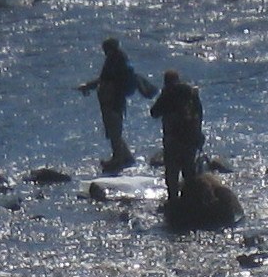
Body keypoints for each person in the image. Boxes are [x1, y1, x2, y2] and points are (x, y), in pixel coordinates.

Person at [77, 37, 147, 171]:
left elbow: (105, 80)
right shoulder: (121, 59)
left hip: (112, 101)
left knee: (113, 129)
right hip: (117, 100)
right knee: (115, 129)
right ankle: (126, 156)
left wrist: (88, 86)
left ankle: (117, 159)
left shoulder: (114, 60)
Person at [149, 68, 204, 199]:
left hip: (173, 140)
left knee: (172, 173)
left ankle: (173, 200)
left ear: (166, 82)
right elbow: (200, 114)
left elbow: (154, 112)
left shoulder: (167, 93)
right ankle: (191, 199)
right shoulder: (191, 93)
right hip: (191, 139)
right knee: (189, 171)